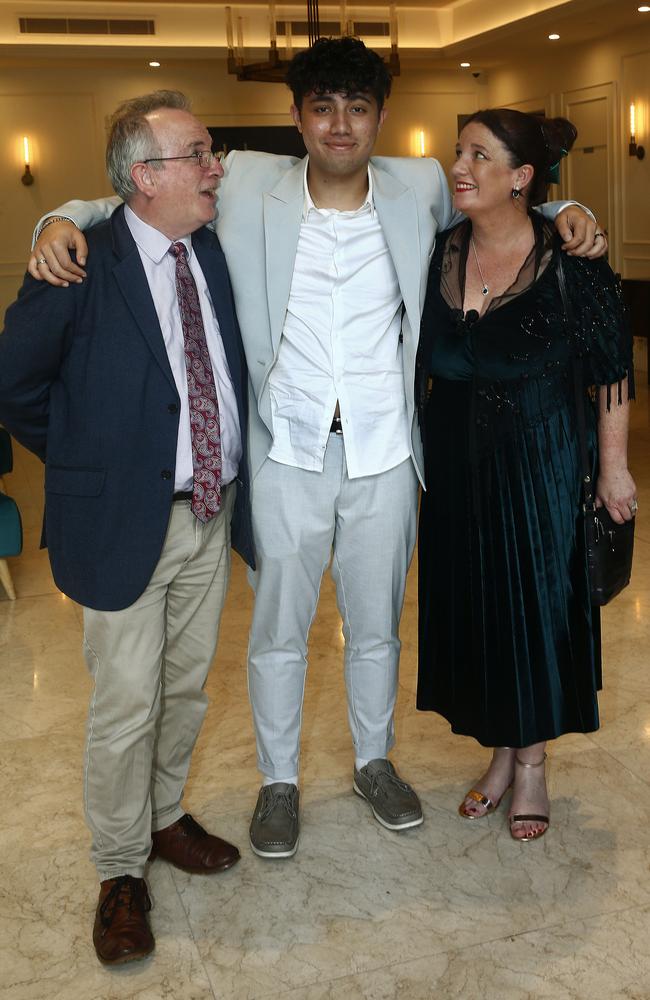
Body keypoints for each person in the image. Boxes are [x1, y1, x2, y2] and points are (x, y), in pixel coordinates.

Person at [26, 39, 604, 861]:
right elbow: (138, 193)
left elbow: (504, 203)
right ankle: (278, 781)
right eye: (323, 108)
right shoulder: (249, 180)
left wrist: (565, 214)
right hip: (285, 453)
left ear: (380, 118)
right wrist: (58, 217)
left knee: (377, 626)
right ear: (297, 117)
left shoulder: (421, 186)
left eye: (358, 108)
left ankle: (374, 761)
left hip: (384, 454)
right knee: (278, 630)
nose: (340, 125)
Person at [0, 91, 254, 964]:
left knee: (185, 691)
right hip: (118, 525)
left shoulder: (211, 251)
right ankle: (118, 872)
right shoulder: (77, 260)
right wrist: (85, 462)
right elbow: (15, 384)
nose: (215, 166)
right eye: (199, 154)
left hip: (206, 518)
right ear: (145, 177)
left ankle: (163, 817)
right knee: (122, 706)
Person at [416, 108, 636, 842]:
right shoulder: (439, 250)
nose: (460, 167)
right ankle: (503, 753)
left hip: (540, 463)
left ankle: (532, 764)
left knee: (533, 613)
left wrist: (614, 469)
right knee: (480, 613)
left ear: (522, 179)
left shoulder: (572, 259)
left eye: (479, 156)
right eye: (458, 153)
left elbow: (611, 371)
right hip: (454, 471)